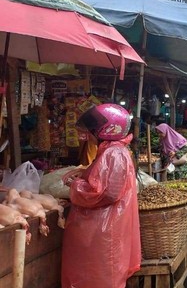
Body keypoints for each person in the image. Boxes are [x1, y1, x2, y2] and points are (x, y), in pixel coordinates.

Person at [61, 104, 141, 288]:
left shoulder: (113, 153)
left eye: (92, 130)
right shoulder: (111, 150)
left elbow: (107, 193)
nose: (89, 134)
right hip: (102, 231)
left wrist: (76, 186)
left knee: (101, 277)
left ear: (108, 129)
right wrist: (84, 174)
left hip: (104, 232)